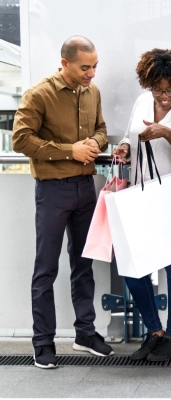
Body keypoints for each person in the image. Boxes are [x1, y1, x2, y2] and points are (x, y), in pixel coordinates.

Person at [12, 35, 114, 369]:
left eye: (95, 66)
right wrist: (71, 149)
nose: (92, 73)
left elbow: (101, 129)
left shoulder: (92, 92)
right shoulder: (39, 93)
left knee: (84, 264)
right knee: (46, 268)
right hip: (53, 190)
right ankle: (42, 342)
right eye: (86, 67)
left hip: (86, 188)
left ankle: (85, 333)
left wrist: (94, 143)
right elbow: (21, 140)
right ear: (65, 62)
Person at [112, 48, 171, 361]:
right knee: (133, 269)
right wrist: (125, 146)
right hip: (140, 195)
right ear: (148, 84)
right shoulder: (143, 100)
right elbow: (130, 134)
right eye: (157, 89)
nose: (163, 96)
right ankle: (155, 332)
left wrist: (166, 132)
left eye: (169, 90)